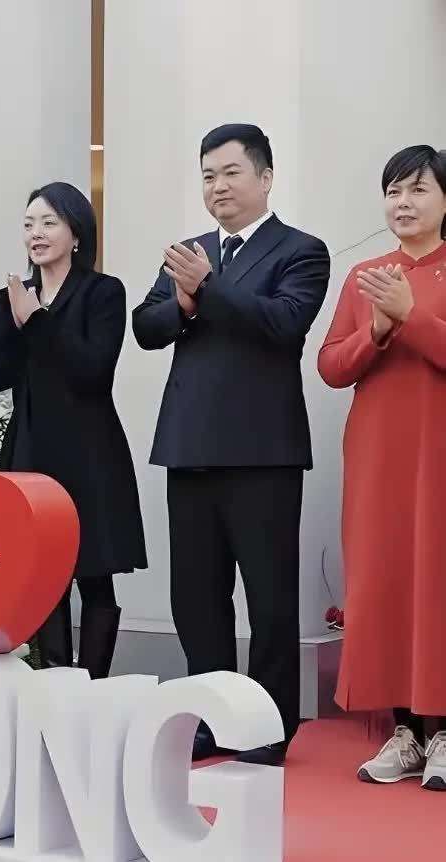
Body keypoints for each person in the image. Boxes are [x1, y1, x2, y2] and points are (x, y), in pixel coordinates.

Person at [133, 124, 330, 766]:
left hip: (263, 451)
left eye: (230, 173)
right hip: (190, 445)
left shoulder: (301, 250)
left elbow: (284, 323)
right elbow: (146, 326)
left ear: (265, 178)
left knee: (269, 598)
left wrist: (208, 289)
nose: (217, 186)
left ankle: (269, 724)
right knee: (196, 596)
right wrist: (184, 304)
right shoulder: (189, 252)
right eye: (208, 176)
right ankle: (211, 714)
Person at [0, 182, 146, 679]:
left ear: (76, 234)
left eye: (49, 222)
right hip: (32, 450)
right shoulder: (12, 297)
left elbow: (93, 372)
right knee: (43, 575)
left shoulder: (103, 292)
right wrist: (13, 321)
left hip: (90, 452)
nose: (37, 233)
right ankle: (53, 681)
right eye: (29, 224)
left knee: (94, 575)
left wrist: (38, 322)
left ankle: (92, 685)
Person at [318, 145, 446, 790]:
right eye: (394, 191)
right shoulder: (365, 274)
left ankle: (444, 731)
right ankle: (406, 733)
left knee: (436, 582)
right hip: (378, 454)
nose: (403, 203)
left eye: (418, 189)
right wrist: (376, 330)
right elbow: (332, 366)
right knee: (384, 579)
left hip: (439, 451)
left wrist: (410, 316)